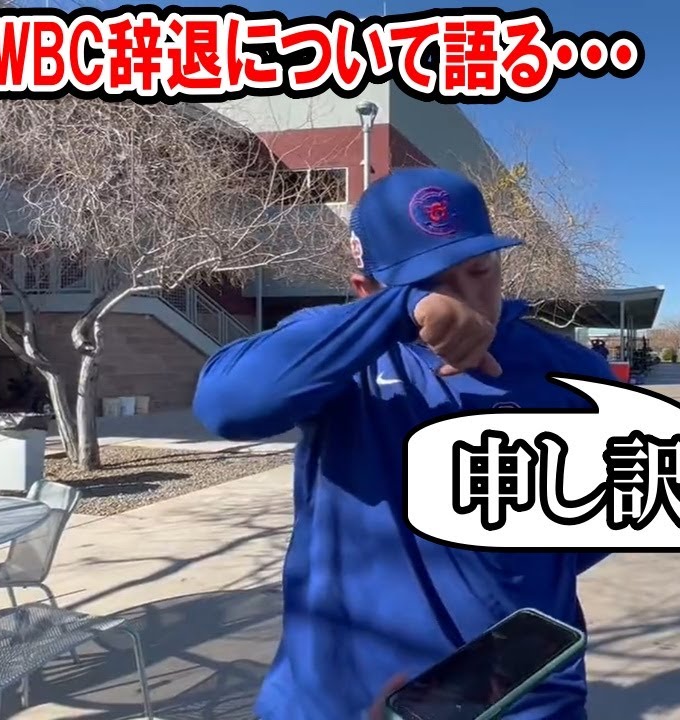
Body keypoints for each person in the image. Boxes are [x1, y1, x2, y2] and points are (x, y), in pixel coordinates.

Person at [193, 167, 614, 720]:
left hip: (520, 696)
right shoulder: (344, 354)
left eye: (479, 271)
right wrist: (399, 312)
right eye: (429, 283)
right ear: (365, 289)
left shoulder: (568, 369)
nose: (465, 299)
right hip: (342, 699)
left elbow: (600, 520)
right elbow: (228, 406)